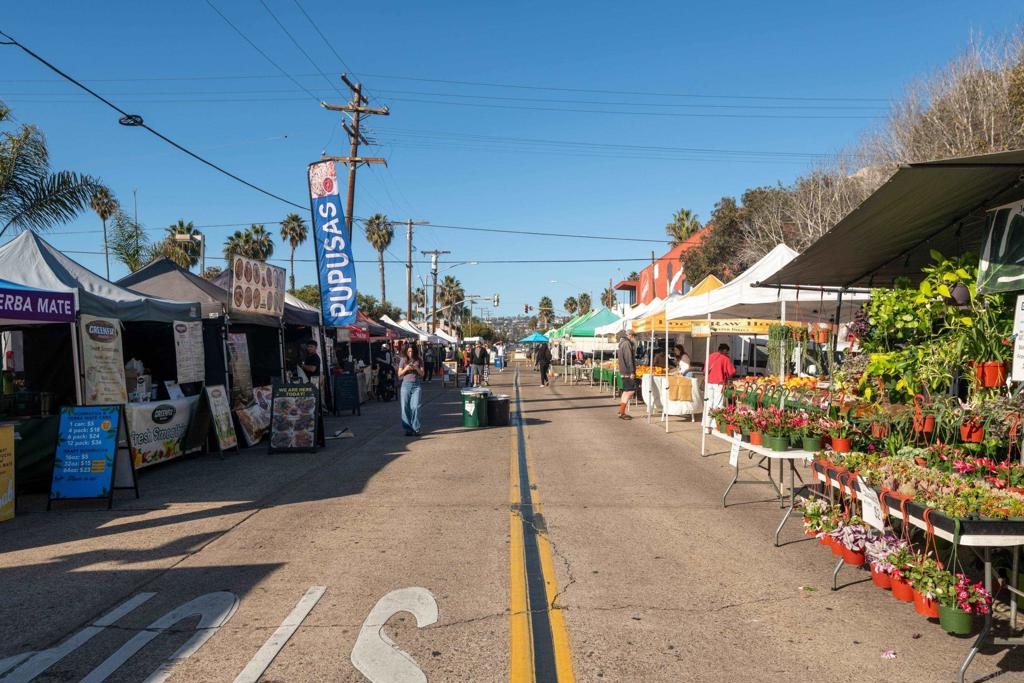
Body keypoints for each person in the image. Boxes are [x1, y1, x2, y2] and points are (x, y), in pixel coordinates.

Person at [704, 343, 736, 430]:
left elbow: (705, 370)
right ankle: (714, 425)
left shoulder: (710, 356)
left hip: (708, 382)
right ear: (725, 350)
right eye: (727, 352)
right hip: (719, 383)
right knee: (717, 404)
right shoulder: (725, 358)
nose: (727, 353)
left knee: (708, 402)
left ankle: (706, 425)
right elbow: (732, 371)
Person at [398, 344, 424, 436]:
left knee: (415, 407)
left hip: (416, 385)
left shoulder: (419, 360)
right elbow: (399, 374)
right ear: (406, 351)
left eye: (412, 351)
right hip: (406, 385)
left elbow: (422, 374)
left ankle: (416, 428)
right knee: (405, 407)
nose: (410, 353)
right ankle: (407, 429)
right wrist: (406, 368)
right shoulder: (403, 360)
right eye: (409, 351)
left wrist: (416, 368)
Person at [616, 329, 637, 419]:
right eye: (634, 336)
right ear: (630, 335)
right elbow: (629, 359)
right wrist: (632, 372)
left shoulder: (622, 343)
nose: (634, 338)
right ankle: (622, 412)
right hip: (627, 371)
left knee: (626, 391)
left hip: (623, 370)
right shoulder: (627, 343)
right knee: (631, 391)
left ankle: (621, 411)